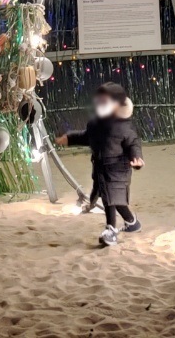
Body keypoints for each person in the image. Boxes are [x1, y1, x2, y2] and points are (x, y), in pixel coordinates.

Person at [56, 82, 144, 246]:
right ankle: (132, 223)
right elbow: (86, 136)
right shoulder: (95, 124)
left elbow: (133, 144)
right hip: (101, 168)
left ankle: (111, 229)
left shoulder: (125, 127)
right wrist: (69, 138)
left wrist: (136, 158)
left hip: (118, 169)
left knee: (113, 200)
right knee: (110, 199)